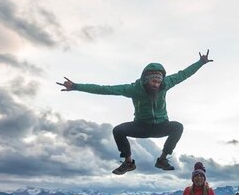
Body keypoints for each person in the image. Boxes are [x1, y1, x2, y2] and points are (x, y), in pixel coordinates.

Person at [58, 51, 213, 174]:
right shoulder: (133, 89)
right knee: (118, 130)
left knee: (178, 127)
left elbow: (183, 74)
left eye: (158, 82)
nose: (156, 85)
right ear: (146, 80)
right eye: (153, 81)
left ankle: (162, 159)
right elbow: (105, 89)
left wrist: (200, 62)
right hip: (141, 126)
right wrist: (76, 86)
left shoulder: (166, 84)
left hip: (161, 125)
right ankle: (128, 162)